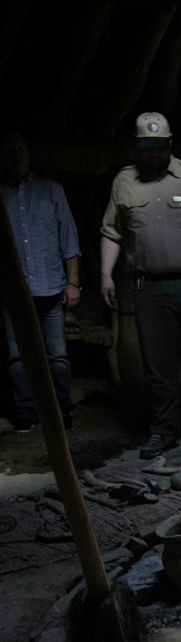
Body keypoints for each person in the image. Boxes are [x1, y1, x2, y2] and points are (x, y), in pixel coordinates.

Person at [100, 112, 181, 460]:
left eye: (159, 149)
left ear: (169, 145)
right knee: (157, 364)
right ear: (136, 147)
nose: (152, 156)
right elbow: (112, 232)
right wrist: (105, 275)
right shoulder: (124, 183)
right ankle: (163, 431)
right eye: (146, 149)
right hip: (151, 288)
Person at [0, 131, 81, 432]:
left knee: (57, 355)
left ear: (29, 154)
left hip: (50, 287)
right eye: (10, 151)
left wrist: (73, 283)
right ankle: (26, 413)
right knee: (18, 356)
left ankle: (61, 410)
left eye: (21, 150)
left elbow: (68, 239)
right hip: (13, 293)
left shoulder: (52, 191)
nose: (16, 157)